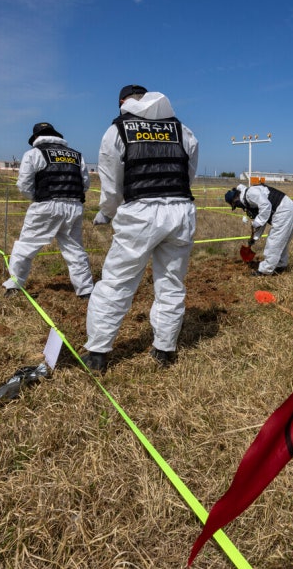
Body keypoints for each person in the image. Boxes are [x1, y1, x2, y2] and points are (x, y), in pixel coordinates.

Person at [81, 85, 199, 372]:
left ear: (123, 102)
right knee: (171, 283)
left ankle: (97, 352)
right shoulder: (183, 131)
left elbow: (111, 184)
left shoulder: (118, 131)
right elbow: (188, 174)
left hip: (140, 213)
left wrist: (106, 214)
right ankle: (164, 349)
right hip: (181, 211)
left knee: (117, 282)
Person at [2, 122, 93, 298]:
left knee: (26, 247)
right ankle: (86, 291)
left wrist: (36, 198)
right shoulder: (76, 155)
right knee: (74, 249)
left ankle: (14, 285)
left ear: (36, 138)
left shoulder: (34, 154)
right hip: (74, 207)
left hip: (46, 206)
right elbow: (85, 184)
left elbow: (24, 184)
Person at [224, 182, 293, 276]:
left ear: (235, 199)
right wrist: (254, 238)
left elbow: (266, 207)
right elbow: (262, 218)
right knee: (281, 241)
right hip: (288, 208)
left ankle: (265, 271)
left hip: (283, 210)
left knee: (274, 241)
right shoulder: (249, 198)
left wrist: (256, 223)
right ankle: (280, 265)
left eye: (235, 204)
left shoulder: (250, 193)